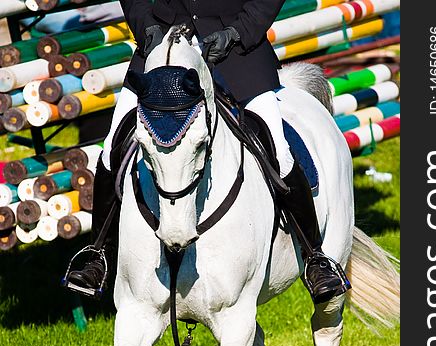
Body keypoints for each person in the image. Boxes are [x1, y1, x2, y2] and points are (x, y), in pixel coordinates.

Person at [67, 0, 350, 304]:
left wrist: (238, 32)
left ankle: (314, 258)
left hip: (236, 52)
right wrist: (144, 25)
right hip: (163, 47)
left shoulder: (237, 40)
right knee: (112, 147)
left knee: (278, 150)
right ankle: (98, 252)